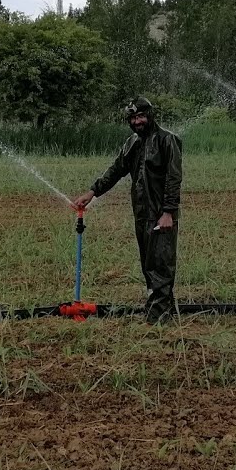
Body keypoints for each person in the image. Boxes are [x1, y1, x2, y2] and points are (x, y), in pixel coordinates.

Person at [72, 96, 183, 324]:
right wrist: (92, 192)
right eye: (132, 118)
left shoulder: (167, 141)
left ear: (150, 116)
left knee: (161, 262)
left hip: (161, 212)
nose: (137, 121)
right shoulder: (132, 143)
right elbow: (116, 170)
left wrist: (168, 212)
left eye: (141, 116)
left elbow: (173, 179)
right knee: (148, 262)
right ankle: (161, 308)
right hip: (141, 213)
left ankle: (159, 318)